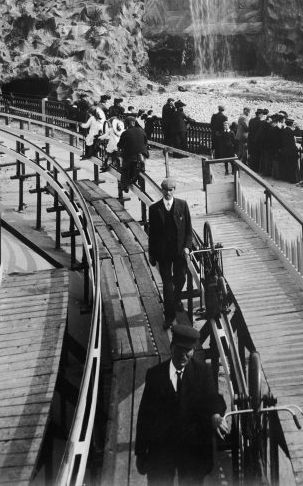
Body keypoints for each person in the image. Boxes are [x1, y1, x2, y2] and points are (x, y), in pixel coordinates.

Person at [135, 324, 229, 484]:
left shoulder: (202, 372)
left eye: (189, 350)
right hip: (162, 451)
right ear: (172, 347)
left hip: (192, 449)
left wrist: (215, 414)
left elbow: (214, 399)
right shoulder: (155, 375)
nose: (184, 355)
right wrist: (140, 452)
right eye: (180, 349)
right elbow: (145, 415)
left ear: (193, 351)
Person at [147, 178, 194, 329]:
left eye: (171, 190)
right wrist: (152, 255)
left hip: (179, 252)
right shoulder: (154, 209)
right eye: (166, 190)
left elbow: (188, 231)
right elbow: (152, 235)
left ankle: (177, 299)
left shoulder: (182, 205)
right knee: (167, 287)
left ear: (175, 190)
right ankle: (169, 317)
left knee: (180, 280)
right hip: (163, 253)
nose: (168, 193)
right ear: (162, 190)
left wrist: (187, 247)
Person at [117, 113, 148, 192]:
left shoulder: (125, 133)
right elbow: (145, 142)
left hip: (131, 155)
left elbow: (120, 145)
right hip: (142, 154)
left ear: (127, 124)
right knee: (141, 166)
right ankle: (141, 185)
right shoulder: (142, 130)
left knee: (124, 169)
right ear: (134, 122)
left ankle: (125, 186)